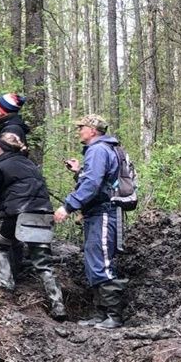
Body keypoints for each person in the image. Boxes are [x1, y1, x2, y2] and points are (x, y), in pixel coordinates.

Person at [0, 132, 65, 319]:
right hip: (43, 213)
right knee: (43, 263)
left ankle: (6, 285)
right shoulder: (30, 165)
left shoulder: (1, 166)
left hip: (18, 213)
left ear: (2, 148)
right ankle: (58, 305)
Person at [54, 114, 128, 330]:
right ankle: (101, 314)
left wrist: (68, 206)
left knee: (101, 261)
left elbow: (93, 185)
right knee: (94, 261)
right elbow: (96, 180)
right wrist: (79, 172)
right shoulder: (101, 150)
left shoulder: (98, 150)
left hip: (103, 213)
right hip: (97, 213)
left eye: (82, 127)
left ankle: (114, 316)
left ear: (93, 130)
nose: (79, 131)